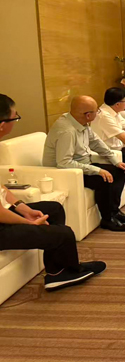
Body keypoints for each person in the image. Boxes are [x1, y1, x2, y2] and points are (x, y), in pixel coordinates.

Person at [0, 94, 106, 291]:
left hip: (4, 213)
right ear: (2, 125)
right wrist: (27, 222)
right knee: (63, 234)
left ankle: (57, 270)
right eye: (15, 118)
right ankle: (68, 271)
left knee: (54, 208)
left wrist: (22, 208)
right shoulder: (66, 129)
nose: (16, 121)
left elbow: (1, 189)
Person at [43, 96, 125, 232]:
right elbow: (64, 163)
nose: (98, 113)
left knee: (120, 171)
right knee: (103, 179)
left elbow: (96, 143)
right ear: (88, 115)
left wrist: (115, 161)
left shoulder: (80, 122)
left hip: (81, 165)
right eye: (97, 111)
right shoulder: (67, 131)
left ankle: (114, 212)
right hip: (65, 173)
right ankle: (107, 219)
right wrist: (97, 170)